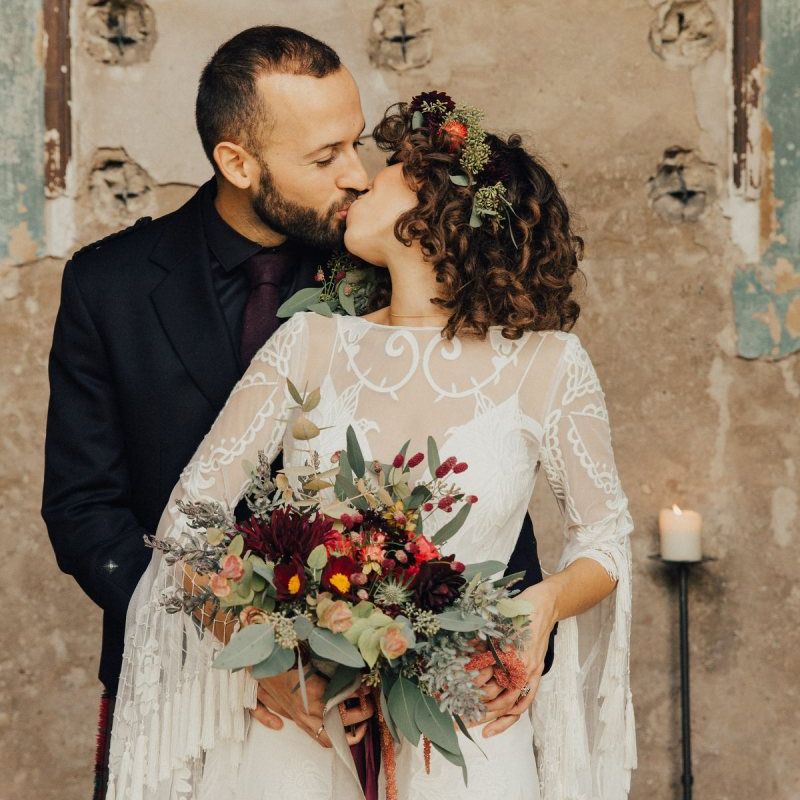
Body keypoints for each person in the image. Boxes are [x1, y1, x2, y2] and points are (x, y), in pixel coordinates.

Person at [41, 27, 550, 798]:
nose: (356, 175)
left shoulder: (394, 261)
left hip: (393, 701)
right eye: (323, 157)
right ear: (238, 163)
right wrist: (241, 652)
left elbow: (478, 455)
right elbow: (85, 511)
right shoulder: (107, 286)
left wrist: (514, 636)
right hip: (182, 689)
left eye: (356, 142)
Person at [106, 92, 636, 800]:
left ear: (430, 207)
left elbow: (605, 538)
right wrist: (263, 657)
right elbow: (187, 526)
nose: (357, 181)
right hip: (307, 725)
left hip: (469, 727)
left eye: (384, 172)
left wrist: (541, 607)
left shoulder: (550, 365)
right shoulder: (307, 344)